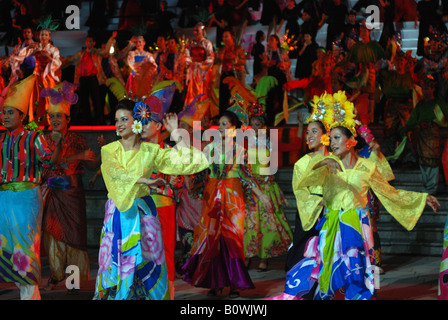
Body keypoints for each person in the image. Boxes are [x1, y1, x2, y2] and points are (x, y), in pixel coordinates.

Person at [269, 90, 440, 300]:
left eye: (337, 138)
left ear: (351, 141)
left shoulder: (367, 167)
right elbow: (305, 182)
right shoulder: (326, 165)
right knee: (324, 279)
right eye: (330, 138)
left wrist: (422, 198)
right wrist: (324, 161)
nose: (332, 143)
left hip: (358, 227)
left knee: (359, 280)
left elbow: (389, 193)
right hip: (330, 227)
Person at [93, 99, 209, 300]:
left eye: (124, 119)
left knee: (150, 268)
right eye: (116, 120)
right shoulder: (109, 150)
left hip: (146, 215)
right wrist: (146, 180)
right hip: (120, 216)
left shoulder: (151, 151)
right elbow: (117, 175)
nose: (119, 124)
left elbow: (193, 162)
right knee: (119, 270)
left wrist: (176, 135)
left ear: (136, 122)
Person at [182, 109, 272, 298]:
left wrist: (261, 194)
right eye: (220, 125)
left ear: (234, 129)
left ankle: (234, 285)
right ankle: (214, 282)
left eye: (225, 125)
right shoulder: (209, 149)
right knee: (212, 239)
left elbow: (246, 176)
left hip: (233, 198)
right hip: (212, 196)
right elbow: (197, 168)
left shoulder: (240, 151)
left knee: (232, 240)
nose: (221, 129)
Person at [0, 75, 62, 300]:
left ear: (22, 116)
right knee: (7, 248)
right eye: (4, 112)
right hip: (4, 197)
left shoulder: (34, 137)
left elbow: (50, 162)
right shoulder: (1, 140)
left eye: (10, 113)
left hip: (27, 197)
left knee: (26, 246)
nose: (5, 116)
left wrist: (59, 144)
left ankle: (31, 296)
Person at [40, 81, 103, 292]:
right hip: (54, 195)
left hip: (74, 195)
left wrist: (101, 150)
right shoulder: (45, 140)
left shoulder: (78, 138)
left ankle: (73, 280)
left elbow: (92, 163)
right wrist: (79, 156)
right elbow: (53, 163)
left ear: (68, 119)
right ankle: (55, 275)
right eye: (52, 117)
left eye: (59, 116)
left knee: (75, 238)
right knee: (54, 235)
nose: (55, 120)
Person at [244, 104, 293, 272]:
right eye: (252, 124)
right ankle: (248, 256)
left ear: (263, 125)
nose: (255, 127)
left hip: (265, 184)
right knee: (249, 223)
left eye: (257, 124)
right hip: (250, 184)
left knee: (266, 222)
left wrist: (267, 177)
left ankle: (264, 259)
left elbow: (273, 164)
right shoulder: (246, 140)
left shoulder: (269, 141)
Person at [139, 95, 179, 300]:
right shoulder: (136, 152)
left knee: (165, 254)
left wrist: (177, 135)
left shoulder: (171, 151)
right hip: (140, 208)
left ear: (158, 125)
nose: (142, 126)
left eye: (147, 122)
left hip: (163, 208)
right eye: (141, 122)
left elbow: (180, 177)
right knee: (142, 257)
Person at [10, 17, 61, 126]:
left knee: (48, 100)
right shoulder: (36, 48)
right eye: (42, 34)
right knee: (35, 100)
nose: (43, 37)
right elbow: (22, 57)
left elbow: (58, 63)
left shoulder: (53, 49)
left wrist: (49, 58)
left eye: (46, 35)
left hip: (47, 78)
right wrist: (28, 49)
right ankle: (35, 121)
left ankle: (49, 122)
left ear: (49, 37)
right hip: (36, 77)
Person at [402, 76, 448, 195]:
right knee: (423, 160)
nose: (426, 91)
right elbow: (412, 120)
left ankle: (432, 187)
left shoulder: (438, 103)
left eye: (428, 88)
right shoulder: (421, 105)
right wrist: (409, 128)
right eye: (424, 89)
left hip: (434, 134)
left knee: (433, 160)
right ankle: (427, 185)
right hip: (422, 136)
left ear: (433, 89)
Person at [64, 35, 105, 125]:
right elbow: (72, 60)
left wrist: (111, 39)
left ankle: (99, 120)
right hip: (83, 78)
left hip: (93, 77)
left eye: (90, 41)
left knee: (96, 99)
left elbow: (105, 52)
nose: (88, 43)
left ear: (94, 43)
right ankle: (87, 119)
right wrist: (62, 60)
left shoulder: (96, 52)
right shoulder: (81, 53)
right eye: (87, 41)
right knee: (84, 100)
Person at [261, 34, 292, 126]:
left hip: (280, 77)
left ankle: (281, 120)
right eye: (269, 40)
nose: (269, 42)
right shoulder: (267, 53)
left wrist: (283, 65)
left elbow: (288, 62)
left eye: (271, 40)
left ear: (277, 41)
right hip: (271, 78)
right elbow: (263, 63)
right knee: (270, 98)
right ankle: (270, 120)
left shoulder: (282, 51)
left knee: (281, 98)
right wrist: (268, 63)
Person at [215, 28, 246, 114]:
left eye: (226, 36)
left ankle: (236, 118)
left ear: (232, 37)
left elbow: (243, 61)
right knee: (223, 98)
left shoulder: (237, 48)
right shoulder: (222, 50)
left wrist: (234, 59)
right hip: (224, 75)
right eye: (223, 37)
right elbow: (217, 62)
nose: (224, 39)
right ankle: (223, 118)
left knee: (234, 97)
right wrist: (218, 58)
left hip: (234, 75)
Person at [184, 22, 214, 107]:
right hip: (193, 72)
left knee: (202, 92)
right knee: (192, 93)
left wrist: (200, 65)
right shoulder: (191, 43)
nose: (195, 32)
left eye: (197, 30)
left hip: (203, 73)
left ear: (202, 31)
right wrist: (190, 63)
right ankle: (191, 115)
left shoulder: (207, 43)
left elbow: (211, 58)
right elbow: (187, 55)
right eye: (194, 30)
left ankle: (202, 116)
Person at [126, 34, 158, 100]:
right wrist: (143, 63)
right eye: (136, 42)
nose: (138, 44)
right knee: (134, 98)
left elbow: (154, 66)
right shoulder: (131, 53)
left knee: (145, 98)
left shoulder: (148, 55)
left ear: (144, 43)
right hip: (135, 78)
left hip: (145, 80)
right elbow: (131, 64)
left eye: (140, 42)